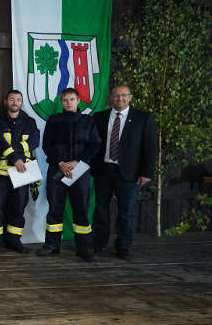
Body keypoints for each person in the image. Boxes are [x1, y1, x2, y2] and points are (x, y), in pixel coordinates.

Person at [91, 85, 157, 261]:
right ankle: (98, 243)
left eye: (123, 95)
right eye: (116, 95)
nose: (120, 99)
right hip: (103, 170)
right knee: (100, 208)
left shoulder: (143, 118)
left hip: (130, 172)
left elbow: (150, 148)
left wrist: (147, 173)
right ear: (110, 97)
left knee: (126, 212)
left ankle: (123, 247)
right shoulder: (99, 117)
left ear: (130, 97)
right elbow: (93, 144)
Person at [38, 87, 101, 261]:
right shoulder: (53, 120)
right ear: (61, 102)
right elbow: (47, 145)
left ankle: (84, 247)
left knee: (81, 209)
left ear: (78, 100)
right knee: (55, 208)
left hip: (80, 169)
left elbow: (94, 145)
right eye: (65, 100)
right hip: (57, 169)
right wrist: (60, 163)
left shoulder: (88, 121)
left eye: (72, 99)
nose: (68, 103)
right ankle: (52, 245)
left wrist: (77, 162)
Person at [0, 90, 40, 254]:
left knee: (18, 208)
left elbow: (34, 142)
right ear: (5, 102)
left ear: (22, 102)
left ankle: (14, 240)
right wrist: (16, 158)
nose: (15, 102)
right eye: (12, 99)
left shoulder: (29, 122)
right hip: (1, 173)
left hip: (22, 172)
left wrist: (14, 154)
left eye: (18, 99)